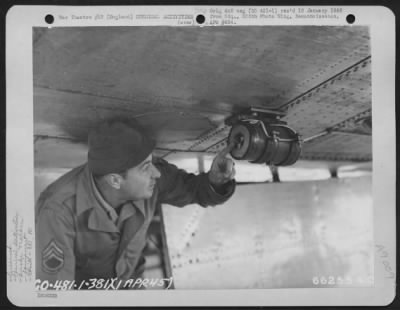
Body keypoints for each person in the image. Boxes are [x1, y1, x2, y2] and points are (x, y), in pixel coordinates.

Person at [35, 118, 236, 289]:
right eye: (146, 167)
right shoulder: (57, 211)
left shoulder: (148, 178)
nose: (157, 173)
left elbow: (196, 191)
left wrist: (216, 181)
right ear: (115, 180)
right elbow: (54, 294)